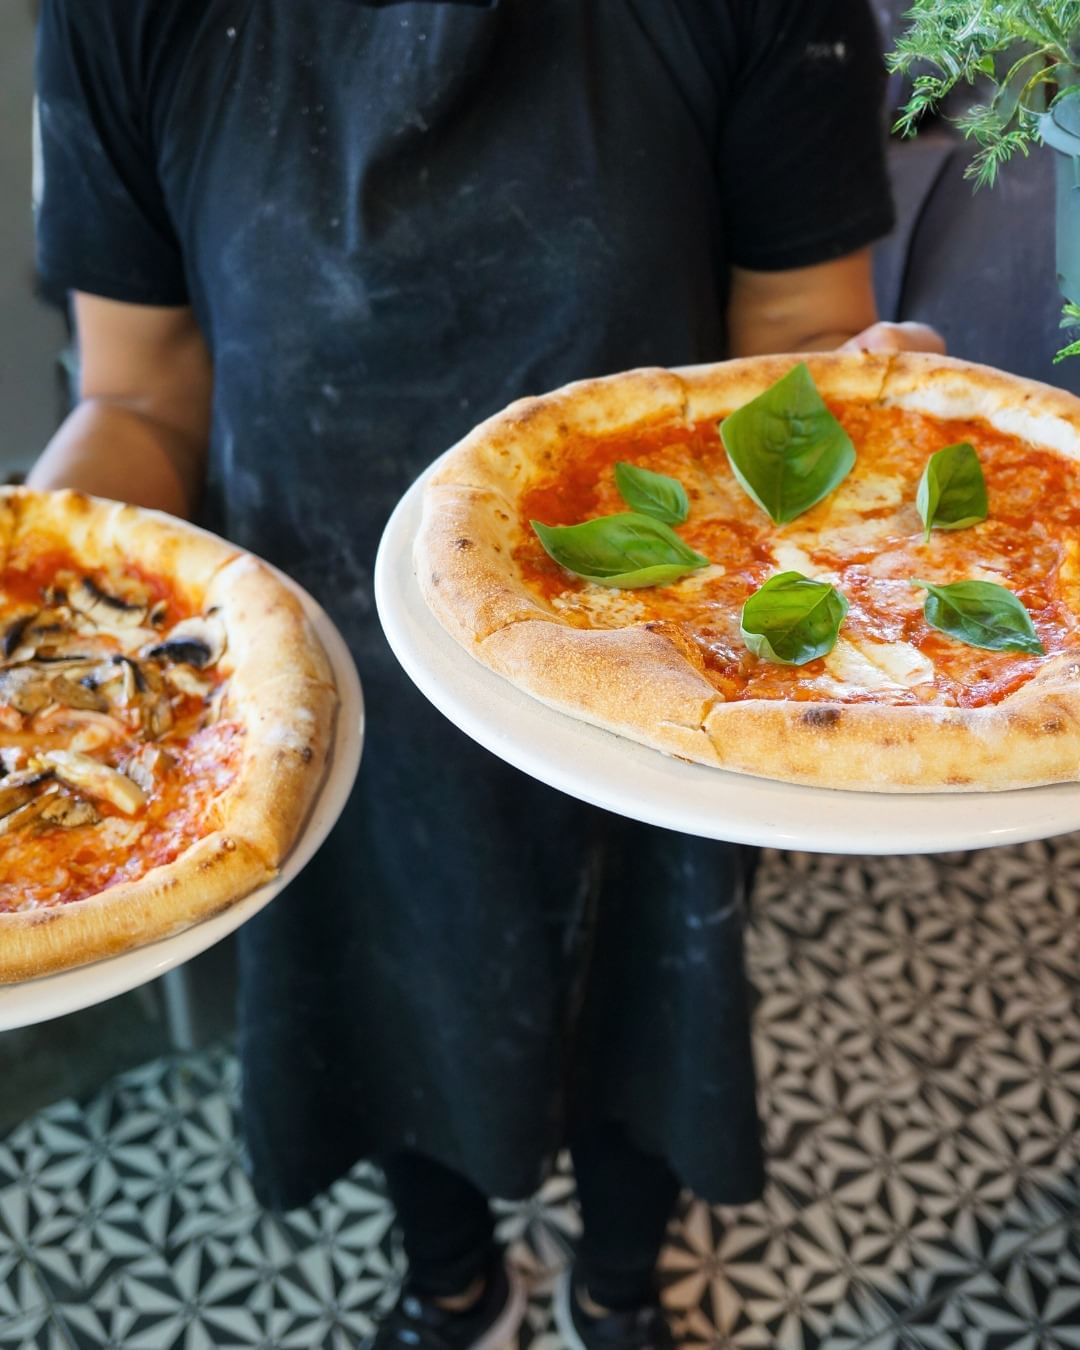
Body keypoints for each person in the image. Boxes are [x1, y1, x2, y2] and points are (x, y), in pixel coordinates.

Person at [30, 3, 943, 1346]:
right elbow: (142, 396)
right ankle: (449, 1281)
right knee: (386, 1010)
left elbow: (800, 324)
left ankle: (623, 1284)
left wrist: (863, 420)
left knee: (657, 1000)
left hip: (657, 664)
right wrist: (33, 580)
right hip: (322, 699)